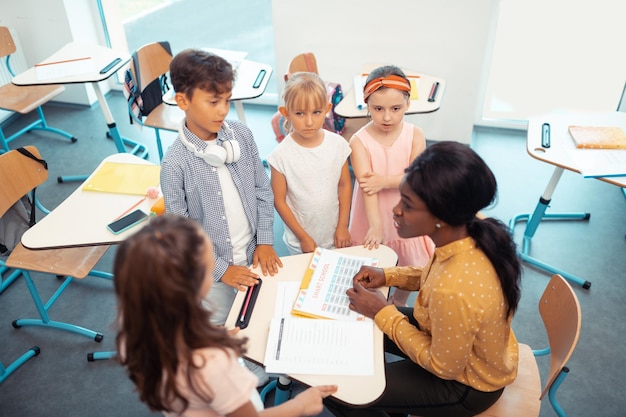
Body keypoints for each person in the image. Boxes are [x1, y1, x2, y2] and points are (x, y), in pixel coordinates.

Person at [327, 141, 522, 417]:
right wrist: (389, 275)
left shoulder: (454, 289)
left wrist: (383, 313)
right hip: (448, 338)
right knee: (357, 325)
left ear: (441, 216)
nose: (395, 211)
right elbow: (434, 275)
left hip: (464, 385)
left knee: (338, 391)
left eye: (406, 205)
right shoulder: (469, 231)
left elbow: (444, 366)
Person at [114, 214, 338, 417]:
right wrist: (301, 405)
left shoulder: (132, 329)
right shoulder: (212, 363)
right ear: (194, 284)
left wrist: (211, 336)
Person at [160, 49, 283, 329]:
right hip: (211, 273)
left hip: (255, 253)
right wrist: (222, 270)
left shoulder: (241, 134)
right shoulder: (174, 164)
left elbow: (263, 191)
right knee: (220, 332)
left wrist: (265, 240)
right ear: (183, 100)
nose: (223, 110)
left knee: (266, 319)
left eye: (226, 100)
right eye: (213, 101)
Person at [348, 65, 435, 307]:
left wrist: (383, 180)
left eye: (395, 109)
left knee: (409, 266)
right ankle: (376, 303)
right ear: (367, 106)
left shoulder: (416, 135)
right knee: (373, 265)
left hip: (407, 210)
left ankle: (398, 302)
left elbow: (416, 178)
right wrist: (375, 225)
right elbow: (368, 187)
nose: (387, 117)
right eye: (378, 109)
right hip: (373, 213)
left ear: (407, 104)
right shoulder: (358, 141)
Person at [267, 72, 353, 255]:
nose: (309, 121)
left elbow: (345, 185)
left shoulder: (338, 145)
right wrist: (303, 237)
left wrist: (343, 226)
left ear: (327, 109)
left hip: (334, 235)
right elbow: (279, 201)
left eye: (316, 112)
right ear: (286, 113)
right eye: (299, 113)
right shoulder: (280, 156)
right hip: (301, 242)